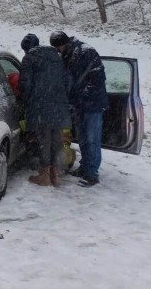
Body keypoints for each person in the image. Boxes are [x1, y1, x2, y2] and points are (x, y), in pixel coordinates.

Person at [50, 31, 108, 187]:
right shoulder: (67, 54)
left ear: (65, 43)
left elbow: (97, 78)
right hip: (78, 105)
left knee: (92, 139)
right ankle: (84, 167)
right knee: (82, 138)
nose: (58, 51)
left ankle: (92, 173)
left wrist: (84, 95)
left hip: (92, 104)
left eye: (58, 47)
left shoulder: (86, 51)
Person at [19, 34, 71, 188]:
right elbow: (67, 80)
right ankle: (55, 175)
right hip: (59, 104)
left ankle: (44, 177)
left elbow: (25, 84)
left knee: (44, 141)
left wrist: (26, 99)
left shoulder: (29, 58)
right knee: (56, 139)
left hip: (40, 105)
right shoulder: (56, 57)